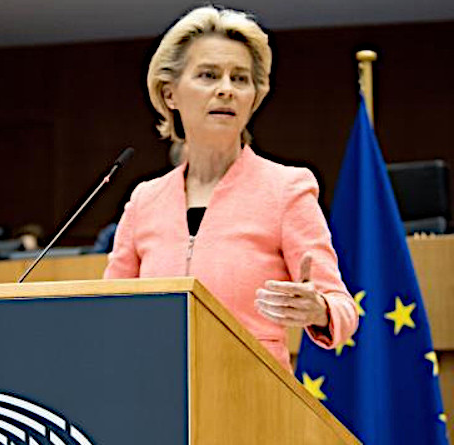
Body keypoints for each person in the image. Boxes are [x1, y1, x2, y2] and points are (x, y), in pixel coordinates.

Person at [104, 6, 358, 371]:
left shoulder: (286, 188)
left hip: (254, 398)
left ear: (254, 96)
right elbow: (108, 307)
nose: (226, 90)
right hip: (156, 396)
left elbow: (342, 307)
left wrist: (319, 310)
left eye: (240, 79)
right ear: (170, 93)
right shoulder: (145, 200)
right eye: (209, 75)